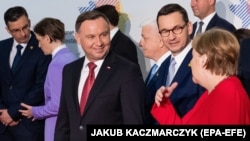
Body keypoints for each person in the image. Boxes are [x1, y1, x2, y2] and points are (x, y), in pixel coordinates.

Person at [54, 10, 145, 141]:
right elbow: (63, 123)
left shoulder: (127, 71)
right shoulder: (70, 71)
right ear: (78, 38)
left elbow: (134, 126)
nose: (99, 43)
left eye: (103, 35)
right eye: (91, 37)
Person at [152, 28, 250, 124]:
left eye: (193, 57)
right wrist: (163, 103)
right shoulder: (212, 93)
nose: (190, 63)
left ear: (203, 60)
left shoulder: (227, 93)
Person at [19, 17, 78, 141]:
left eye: (40, 40)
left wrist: (35, 111)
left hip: (58, 128)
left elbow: (57, 105)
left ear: (47, 38)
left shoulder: (57, 64)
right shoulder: (72, 57)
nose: (39, 45)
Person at [0, 6, 51, 141]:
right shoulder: (1, 47)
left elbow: (40, 86)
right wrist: (2, 112)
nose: (23, 34)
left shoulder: (43, 47)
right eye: (16, 30)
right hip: (3, 126)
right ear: (8, 30)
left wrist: (13, 113)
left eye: (25, 27)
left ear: (29, 22)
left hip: (29, 127)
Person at [156, 3, 205, 118]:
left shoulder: (203, 60)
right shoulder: (163, 66)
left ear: (189, 28)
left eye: (177, 29)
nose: (171, 37)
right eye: (165, 31)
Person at [139, 19, 170, 124]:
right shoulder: (156, 67)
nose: (140, 43)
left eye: (144, 38)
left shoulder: (170, 68)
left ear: (160, 41)